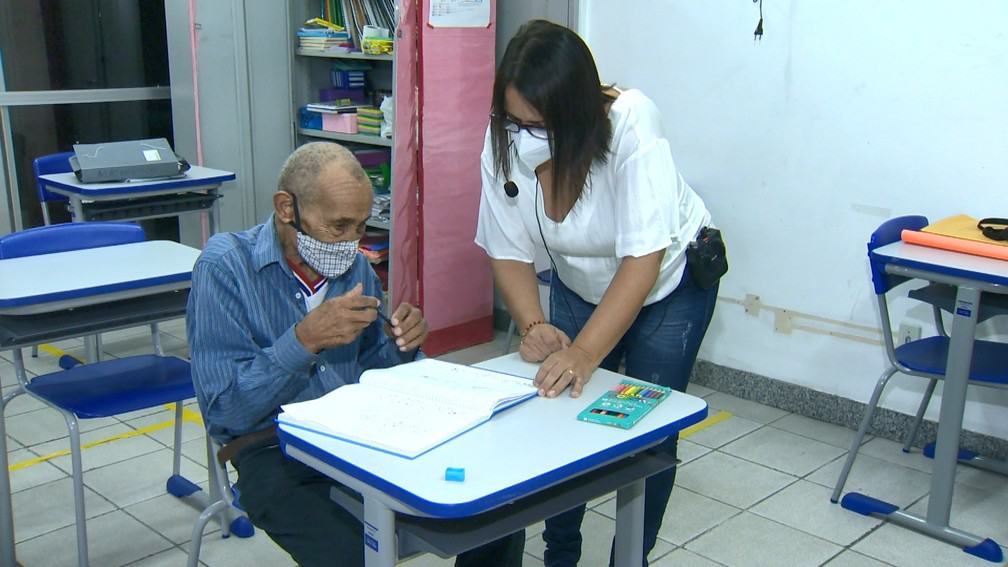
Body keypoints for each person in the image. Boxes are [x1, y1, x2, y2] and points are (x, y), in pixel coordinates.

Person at [188, 142, 525, 567]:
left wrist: (402, 345)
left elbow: (372, 372)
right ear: (286, 208)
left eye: (361, 228)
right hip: (272, 446)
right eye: (338, 226)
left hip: (358, 430)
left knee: (495, 511)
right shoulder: (225, 267)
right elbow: (225, 413)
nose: (350, 244)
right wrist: (303, 342)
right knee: (351, 555)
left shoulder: (355, 267)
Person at [475, 20, 721, 567]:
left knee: (650, 435)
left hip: (665, 286)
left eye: (538, 124)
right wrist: (536, 326)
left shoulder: (632, 122)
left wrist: (585, 353)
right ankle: (561, 555)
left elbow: (643, 258)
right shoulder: (504, 141)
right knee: (563, 422)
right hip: (579, 282)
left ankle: (628, 558)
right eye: (513, 120)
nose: (523, 135)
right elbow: (505, 247)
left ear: (576, 112)